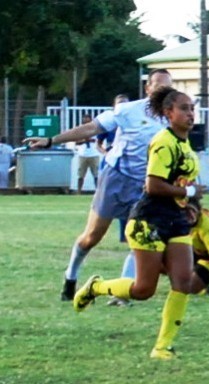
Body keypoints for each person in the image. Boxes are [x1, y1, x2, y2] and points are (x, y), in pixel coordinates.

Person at [71, 86, 202, 360]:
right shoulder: (164, 141)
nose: (190, 114)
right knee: (143, 290)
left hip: (175, 220)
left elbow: (179, 183)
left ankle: (162, 347)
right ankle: (96, 287)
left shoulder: (185, 144)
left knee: (183, 282)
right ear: (168, 113)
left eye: (192, 108)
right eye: (184, 109)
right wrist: (187, 193)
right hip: (149, 220)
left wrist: (189, 205)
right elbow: (153, 185)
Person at [25, 69, 173, 301]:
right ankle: (71, 276)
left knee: (141, 238)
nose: (163, 92)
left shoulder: (172, 115)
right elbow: (92, 128)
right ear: (148, 88)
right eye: (159, 86)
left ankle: (120, 295)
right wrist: (51, 140)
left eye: (168, 87)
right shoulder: (128, 110)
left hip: (146, 185)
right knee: (92, 236)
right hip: (116, 178)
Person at [75, 114, 103, 194]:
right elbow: (77, 142)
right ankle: (79, 191)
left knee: (96, 174)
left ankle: (98, 191)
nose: (86, 121)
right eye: (84, 120)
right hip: (82, 154)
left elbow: (98, 140)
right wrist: (85, 141)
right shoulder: (79, 130)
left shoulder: (95, 129)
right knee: (80, 174)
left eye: (88, 120)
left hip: (94, 154)